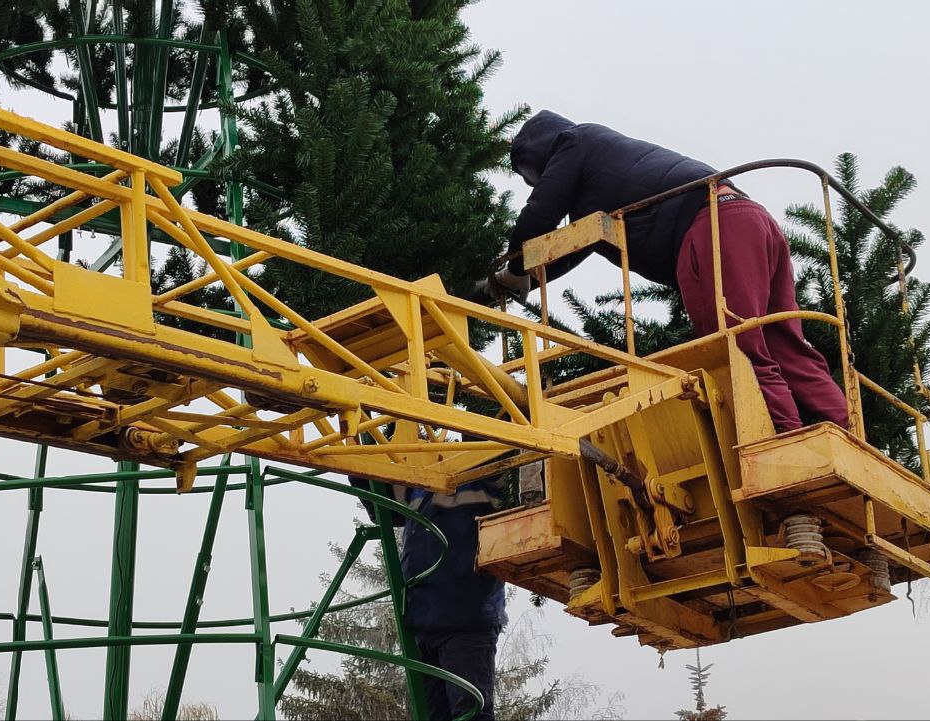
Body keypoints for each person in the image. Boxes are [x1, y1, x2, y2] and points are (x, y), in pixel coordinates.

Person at [480, 109, 848, 433]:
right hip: (749, 219)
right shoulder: (603, 173)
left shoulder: (573, 142)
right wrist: (525, 276)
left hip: (711, 229)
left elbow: (541, 213)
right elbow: (577, 244)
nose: (535, 183)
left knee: (733, 348)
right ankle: (850, 436)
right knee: (783, 343)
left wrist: (514, 267)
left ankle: (781, 445)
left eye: (532, 176)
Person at [349, 472, 507, 721]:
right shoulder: (418, 485)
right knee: (434, 715)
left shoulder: (485, 476)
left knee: (470, 713)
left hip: (466, 617)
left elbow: (500, 459)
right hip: (423, 619)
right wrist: (358, 453)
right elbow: (379, 503)